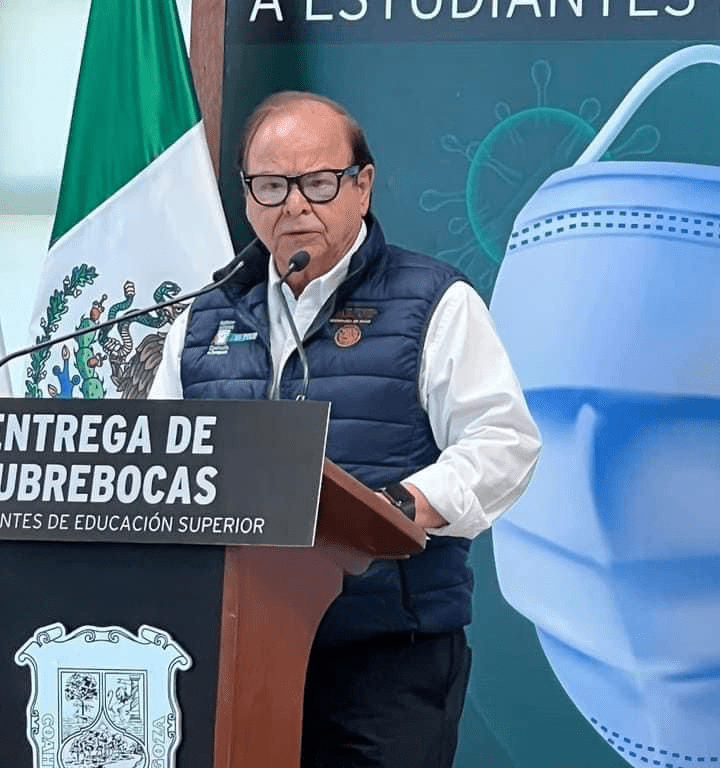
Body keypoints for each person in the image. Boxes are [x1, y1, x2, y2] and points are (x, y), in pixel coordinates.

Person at [149, 91, 541, 768]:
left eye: (319, 182)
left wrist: (400, 506)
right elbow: (158, 465)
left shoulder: (432, 301)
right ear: (247, 197)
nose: (294, 205)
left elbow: (503, 442)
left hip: (385, 655)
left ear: (363, 185)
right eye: (271, 186)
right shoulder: (202, 319)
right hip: (233, 654)